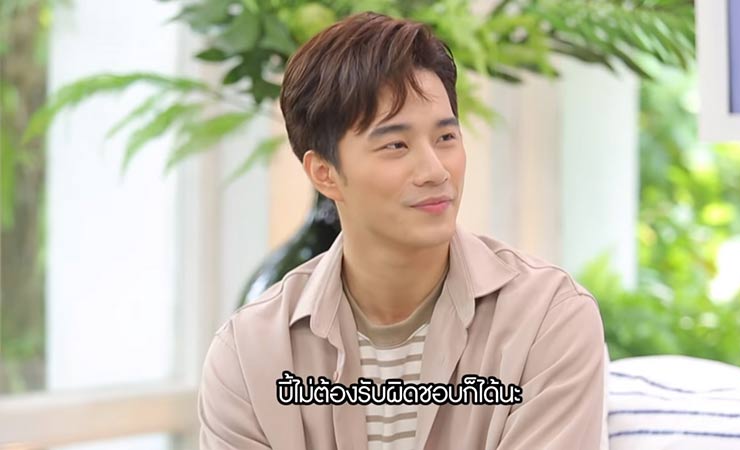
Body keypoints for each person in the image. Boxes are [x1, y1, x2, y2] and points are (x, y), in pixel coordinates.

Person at [198, 11, 606, 450]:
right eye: (396, 145)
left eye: (446, 138)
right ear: (325, 173)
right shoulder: (249, 355)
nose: (435, 171)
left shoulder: (548, 319)